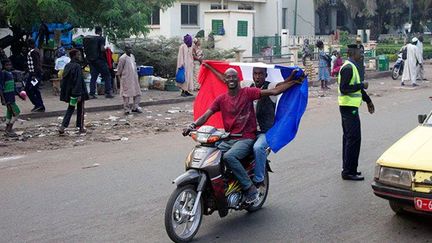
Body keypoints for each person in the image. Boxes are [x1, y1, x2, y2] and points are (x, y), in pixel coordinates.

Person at [183, 65, 302, 203]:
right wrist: (192, 125)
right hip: (229, 137)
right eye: (228, 77)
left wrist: (293, 81)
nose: (231, 79)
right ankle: (219, 183)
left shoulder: (248, 92)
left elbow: (275, 90)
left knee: (230, 156)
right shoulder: (221, 99)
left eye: (234, 77)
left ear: (238, 79)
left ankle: (250, 188)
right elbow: (206, 115)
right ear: (225, 81)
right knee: (209, 153)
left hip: (246, 137)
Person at [338, 44, 375, 181]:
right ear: (353, 53)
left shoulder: (352, 66)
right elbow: (345, 88)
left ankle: (349, 169)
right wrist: (362, 85)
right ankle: (348, 171)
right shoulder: (348, 67)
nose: (362, 54)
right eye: (360, 52)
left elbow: (358, 89)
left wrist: (368, 100)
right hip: (349, 108)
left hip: (350, 107)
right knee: (353, 139)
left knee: (349, 138)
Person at [59, 49, 89, 135]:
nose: (79, 56)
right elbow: (78, 81)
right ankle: (81, 127)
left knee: (70, 109)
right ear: (74, 56)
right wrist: (78, 94)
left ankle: (63, 126)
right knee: (81, 110)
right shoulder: (77, 67)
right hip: (79, 93)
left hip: (71, 92)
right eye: (78, 55)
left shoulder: (67, 66)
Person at [87, 26, 114, 99]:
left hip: (91, 61)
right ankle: (108, 92)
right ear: (100, 32)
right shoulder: (101, 38)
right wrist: (106, 48)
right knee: (107, 75)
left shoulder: (90, 39)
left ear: (95, 31)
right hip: (100, 60)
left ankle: (91, 93)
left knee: (94, 77)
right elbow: (102, 49)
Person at [0, 59, 25, 137]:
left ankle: (7, 129)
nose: (9, 66)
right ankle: (9, 128)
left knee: (10, 113)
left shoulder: (10, 73)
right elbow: (0, 87)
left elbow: (14, 87)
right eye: (7, 65)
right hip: (7, 97)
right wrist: (3, 99)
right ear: (3, 66)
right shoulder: (3, 73)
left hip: (11, 96)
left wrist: (20, 95)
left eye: (10, 65)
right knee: (16, 112)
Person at [116, 45, 142, 115]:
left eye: (130, 48)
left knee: (137, 93)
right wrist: (119, 79)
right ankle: (126, 109)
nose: (130, 50)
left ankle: (135, 107)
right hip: (126, 78)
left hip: (134, 78)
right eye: (128, 49)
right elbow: (119, 70)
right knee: (126, 94)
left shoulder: (132, 56)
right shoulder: (122, 58)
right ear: (125, 49)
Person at [26, 39, 45, 112]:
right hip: (34, 73)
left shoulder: (33, 52)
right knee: (34, 89)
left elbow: (36, 64)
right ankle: (40, 105)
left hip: (35, 74)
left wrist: (34, 75)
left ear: (29, 44)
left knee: (30, 89)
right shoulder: (36, 50)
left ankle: (38, 105)